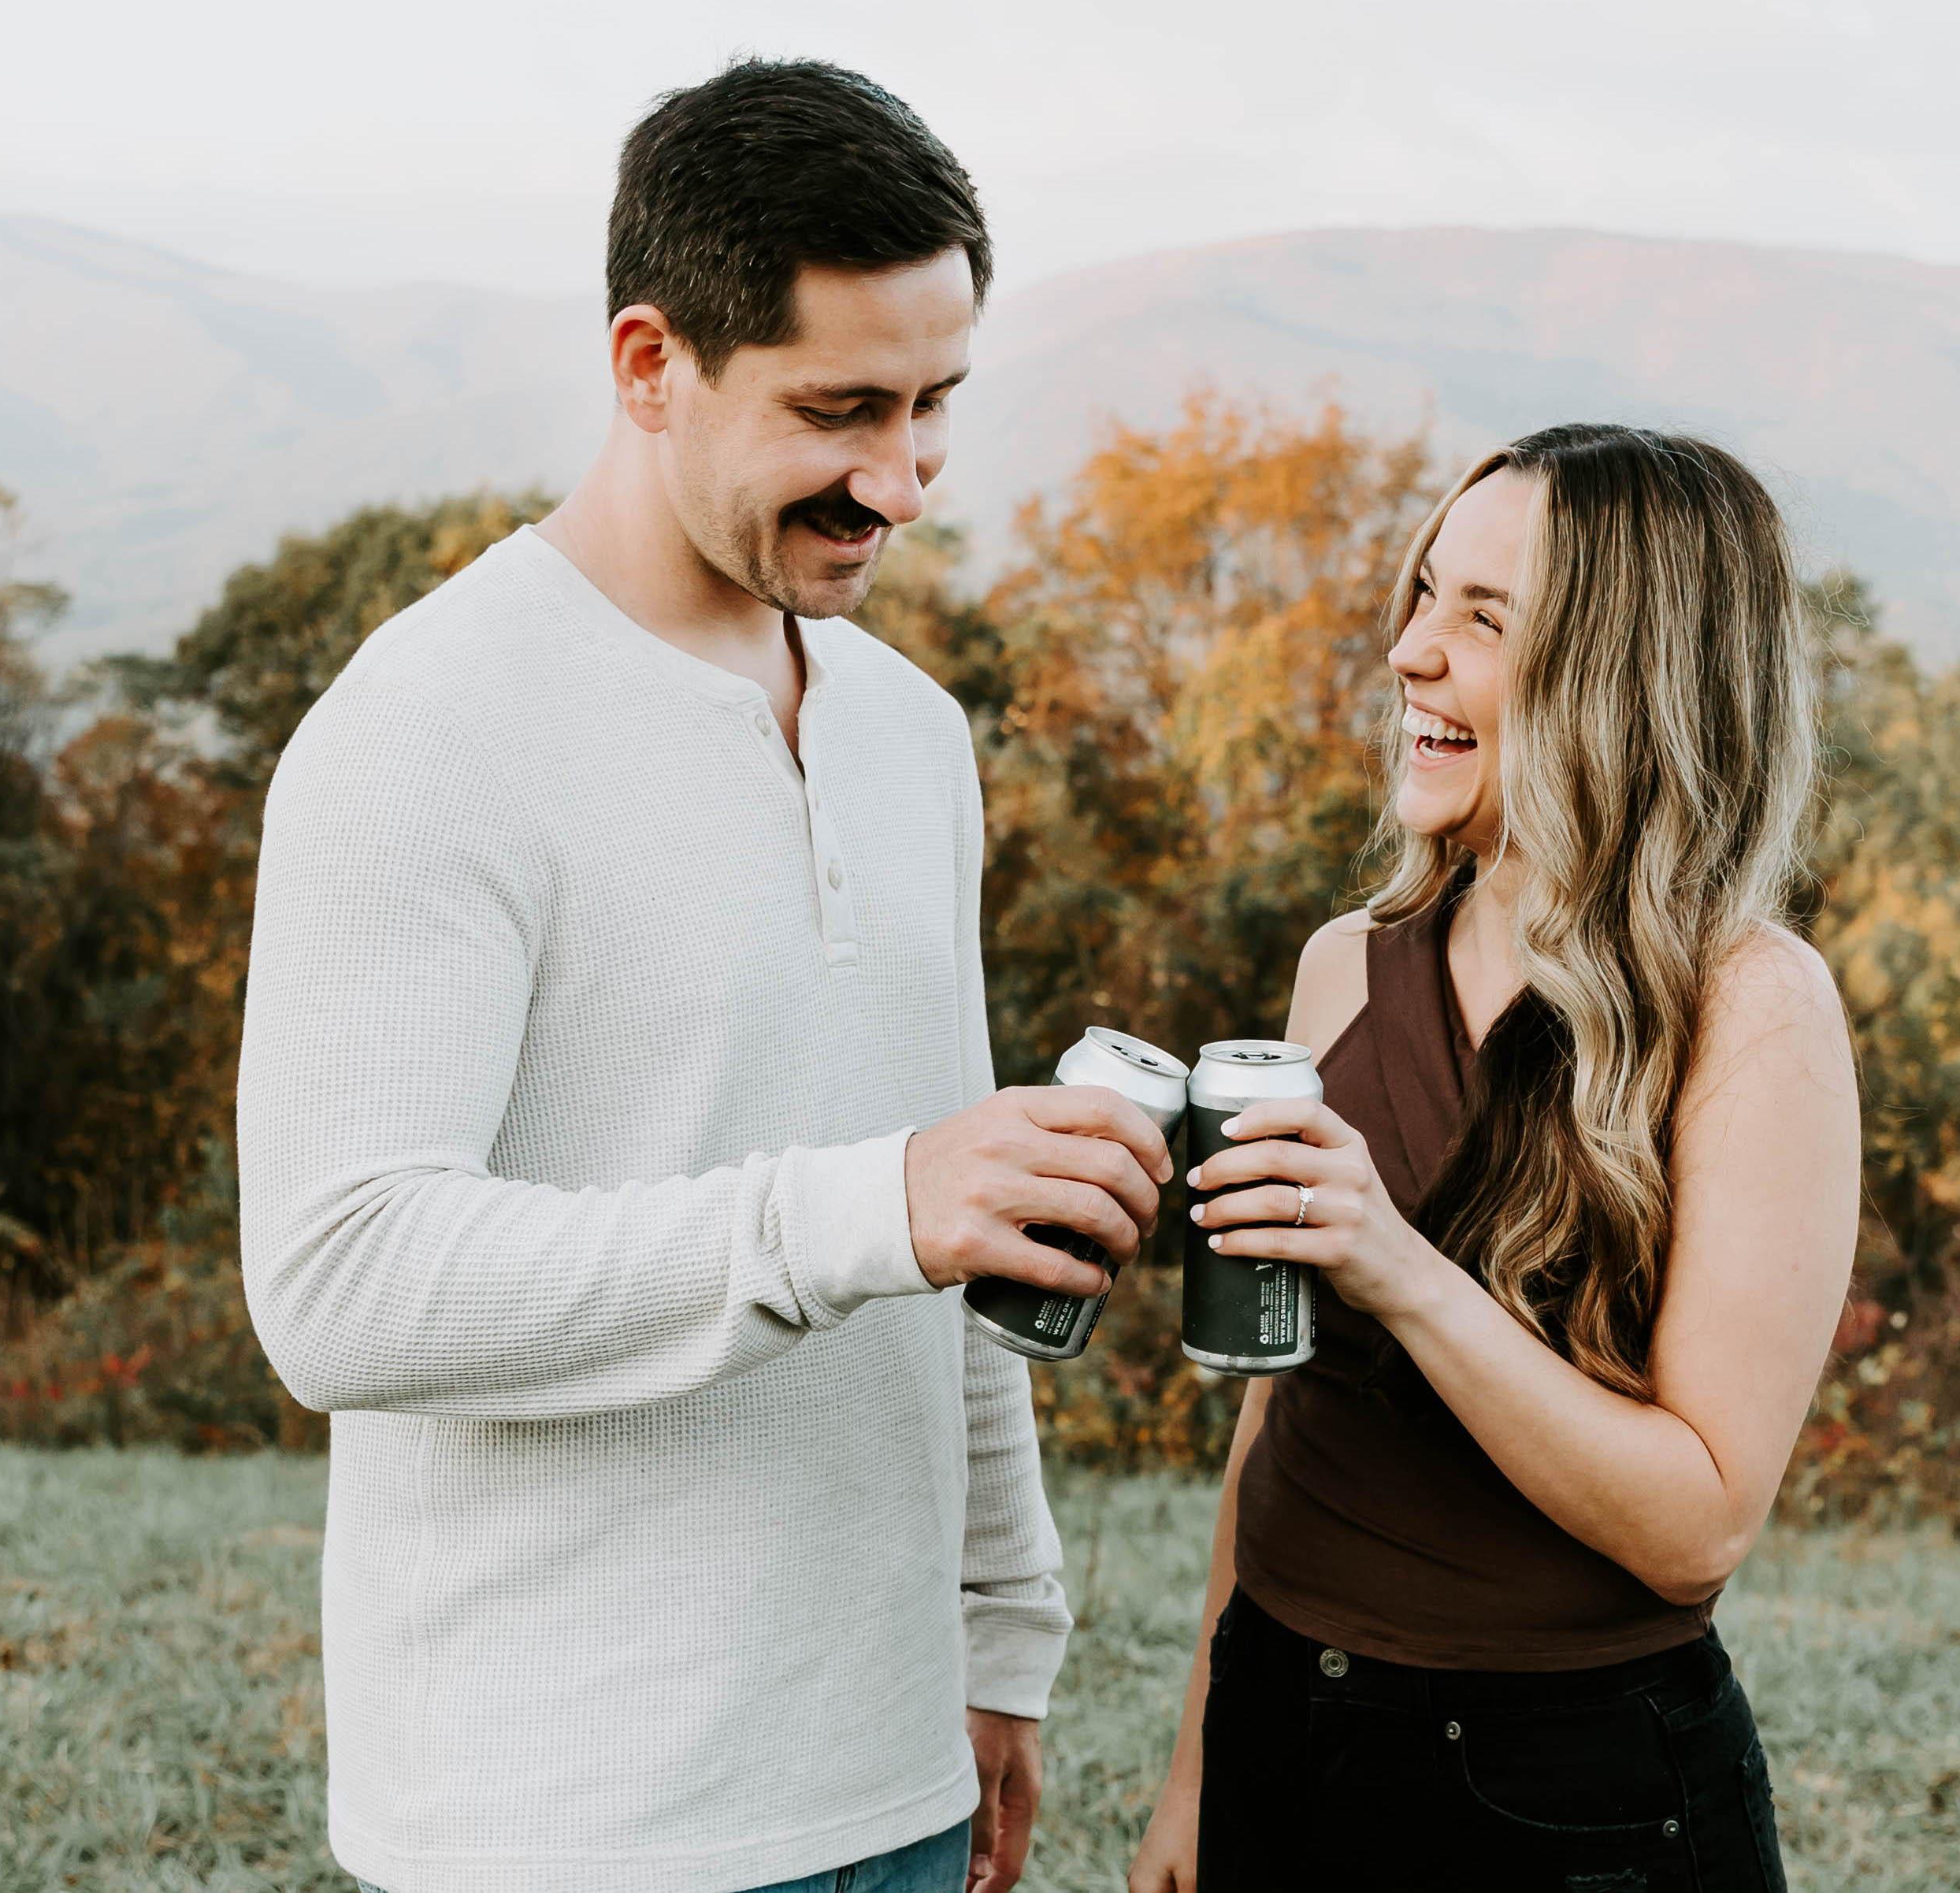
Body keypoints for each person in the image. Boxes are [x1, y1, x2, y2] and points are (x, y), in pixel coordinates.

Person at [236, 59, 1171, 1893]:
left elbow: (954, 1224)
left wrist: (999, 1632)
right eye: (838, 410)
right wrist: (864, 1207)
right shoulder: (427, 727)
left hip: (893, 1778)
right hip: (563, 1820)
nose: (899, 481)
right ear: (650, 363)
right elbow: (341, 1283)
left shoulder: (911, 734)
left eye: (934, 405)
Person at [1127, 425, 1860, 1893]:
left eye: (1483, 618)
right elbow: (1280, 1413)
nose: (1410, 651)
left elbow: (1699, 1527)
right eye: (1423, 594)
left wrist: (1399, 1272)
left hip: (1560, 1802)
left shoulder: (1753, 1008)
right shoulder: (1346, 965)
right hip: (1281, 1720)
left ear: (1626, 675)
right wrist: (1200, 1765)